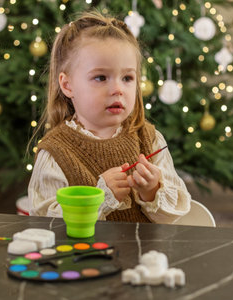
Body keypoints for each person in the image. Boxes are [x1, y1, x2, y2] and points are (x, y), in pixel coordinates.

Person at [28, 11, 191, 223]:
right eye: (100, 77)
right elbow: (47, 223)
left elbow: (175, 215)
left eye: (127, 78)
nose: (117, 89)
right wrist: (100, 199)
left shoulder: (148, 139)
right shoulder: (56, 152)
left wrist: (151, 191)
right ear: (67, 85)